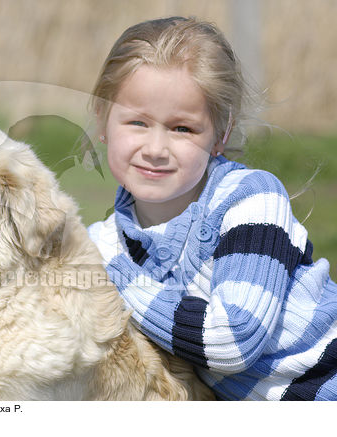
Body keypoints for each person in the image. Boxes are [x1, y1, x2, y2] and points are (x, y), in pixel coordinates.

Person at [87, 16, 337, 401]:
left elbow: (232, 341)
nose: (155, 149)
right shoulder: (103, 243)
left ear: (220, 133)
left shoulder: (250, 199)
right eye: (137, 122)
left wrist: (111, 278)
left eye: (182, 129)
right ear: (103, 121)